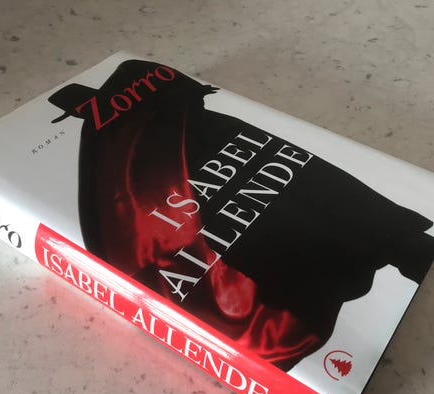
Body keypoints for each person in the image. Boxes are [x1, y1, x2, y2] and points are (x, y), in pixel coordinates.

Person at [48, 59, 434, 371]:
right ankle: (398, 247)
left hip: (222, 162)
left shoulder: (134, 139)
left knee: (293, 182)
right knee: (277, 202)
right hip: (211, 189)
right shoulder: (126, 151)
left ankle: (401, 246)